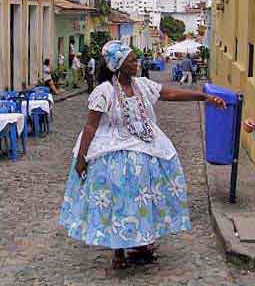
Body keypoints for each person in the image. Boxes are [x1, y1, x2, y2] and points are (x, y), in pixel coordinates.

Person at [59, 40, 226, 269]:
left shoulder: (142, 86)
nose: (137, 63)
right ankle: (118, 250)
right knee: (118, 200)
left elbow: (171, 94)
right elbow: (90, 127)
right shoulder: (104, 92)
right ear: (118, 65)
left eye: (135, 59)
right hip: (113, 149)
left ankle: (142, 241)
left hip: (146, 145)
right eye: (132, 60)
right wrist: (81, 158)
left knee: (145, 198)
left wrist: (204, 97)